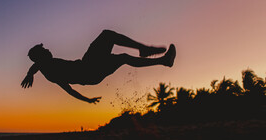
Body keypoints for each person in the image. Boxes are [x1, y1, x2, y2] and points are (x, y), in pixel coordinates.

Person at [21, 29, 176, 104]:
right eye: (43, 50)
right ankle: (145, 50)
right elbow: (69, 90)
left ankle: (163, 61)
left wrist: (30, 73)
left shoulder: (46, 67)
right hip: (89, 68)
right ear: (40, 56)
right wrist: (87, 100)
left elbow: (36, 67)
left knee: (124, 58)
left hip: (92, 74)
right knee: (107, 35)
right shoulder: (48, 68)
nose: (47, 49)